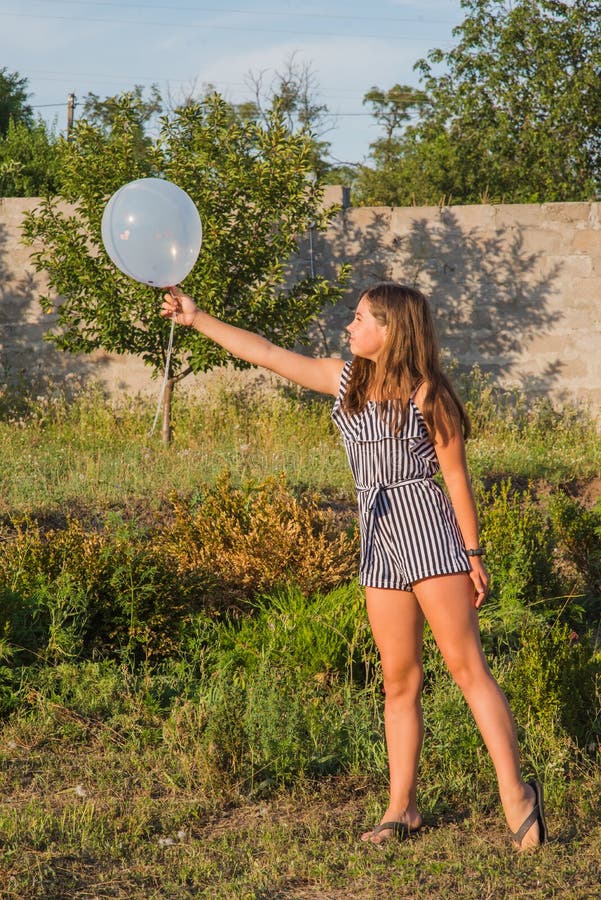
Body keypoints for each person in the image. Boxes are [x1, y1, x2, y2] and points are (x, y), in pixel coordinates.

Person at [161, 281, 548, 851]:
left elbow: (457, 477)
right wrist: (198, 319)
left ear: (391, 329)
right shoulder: (346, 381)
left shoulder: (427, 393)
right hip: (377, 537)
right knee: (399, 681)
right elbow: (265, 353)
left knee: (468, 671)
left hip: (429, 531)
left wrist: (473, 553)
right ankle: (402, 808)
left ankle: (517, 795)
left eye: (361, 317)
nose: (350, 325)